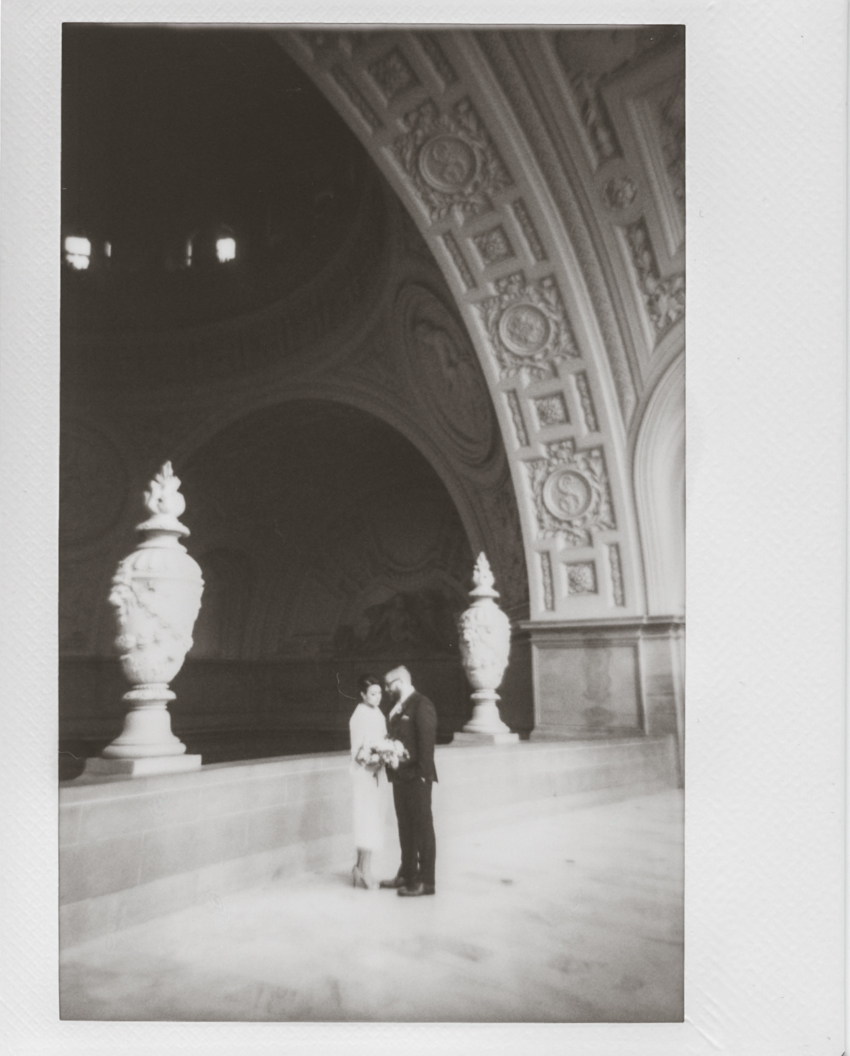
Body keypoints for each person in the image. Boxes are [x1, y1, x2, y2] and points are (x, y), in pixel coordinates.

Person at [380, 665, 438, 897]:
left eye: (388, 684)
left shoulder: (421, 704)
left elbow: (427, 744)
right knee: (405, 827)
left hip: (417, 778)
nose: (385, 689)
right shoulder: (398, 707)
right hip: (400, 777)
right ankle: (407, 874)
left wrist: (423, 777)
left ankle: (427, 881)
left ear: (400, 682)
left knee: (422, 830)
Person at [348, 673, 389, 890]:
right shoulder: (359, 715)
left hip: (376, 773)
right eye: (372, 694)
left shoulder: (377, 713)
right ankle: (363, 871)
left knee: (373, 820)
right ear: (362, 695)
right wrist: (369, 760)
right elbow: (357, 750)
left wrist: (385, 756)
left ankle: (360, 868)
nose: (377, 697)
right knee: (366, 820)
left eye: (379, 693)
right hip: (364, 775)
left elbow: (381, 740)